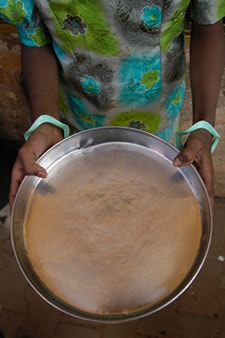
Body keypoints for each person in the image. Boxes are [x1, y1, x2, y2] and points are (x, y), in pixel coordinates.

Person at [0, 0, 224, 211]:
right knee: (86, 208)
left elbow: (208, 27)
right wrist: (46, 122)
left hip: (160, 127)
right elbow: (35, 34)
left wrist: (203, 127)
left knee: (153, 208)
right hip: (75, 124)